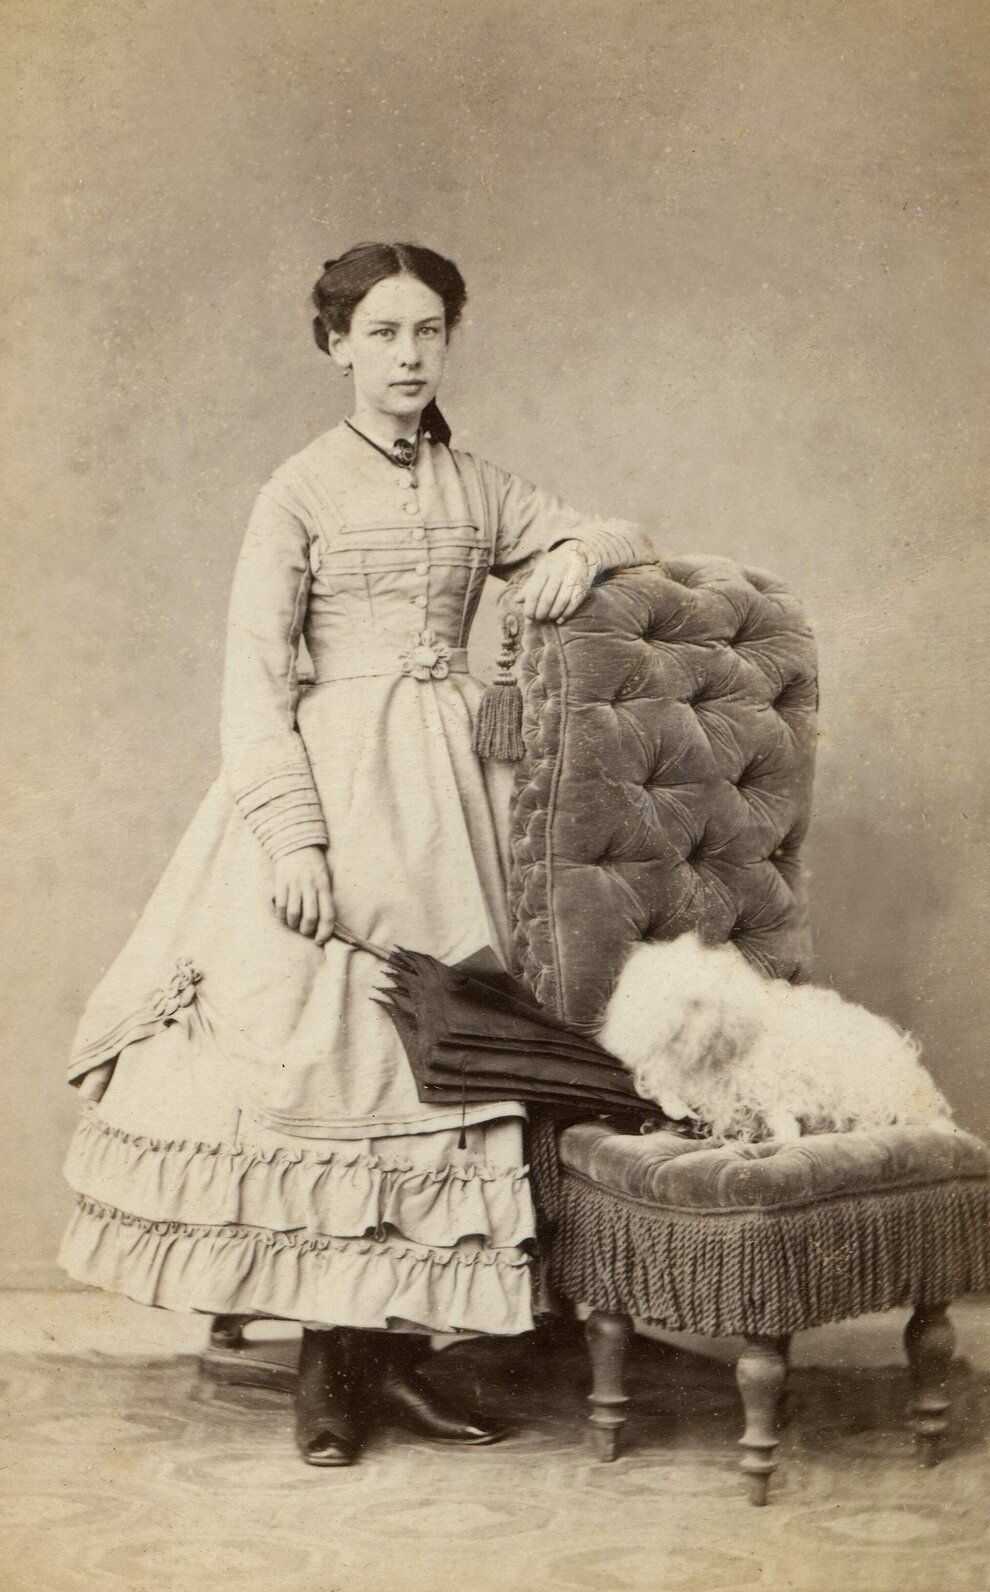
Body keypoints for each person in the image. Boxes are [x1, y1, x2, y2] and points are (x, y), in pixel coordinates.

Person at [59, 242, 655, 1465]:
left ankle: (399, 1359)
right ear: (335, 345)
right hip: (335, 783)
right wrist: (291, 835)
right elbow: (250, 683)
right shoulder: (298, 492)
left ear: (449, 342)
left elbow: (605, 525)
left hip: (453, 800)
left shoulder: (474, 482)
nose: (406, 356)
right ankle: (328, 1372)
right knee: (331, 1052)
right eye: (381, 334)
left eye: (427, 332)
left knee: (441, 1058)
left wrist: (568, 559)